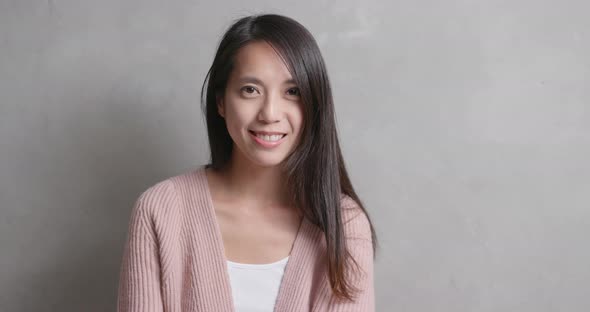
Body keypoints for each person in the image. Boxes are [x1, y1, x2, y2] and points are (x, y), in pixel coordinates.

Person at [117, 13, 378, 312]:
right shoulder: (160, 211)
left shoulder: (344, 225)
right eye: (250, 90)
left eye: (292, 92)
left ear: (314, 104)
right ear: (221, 102)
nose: (269, 113)